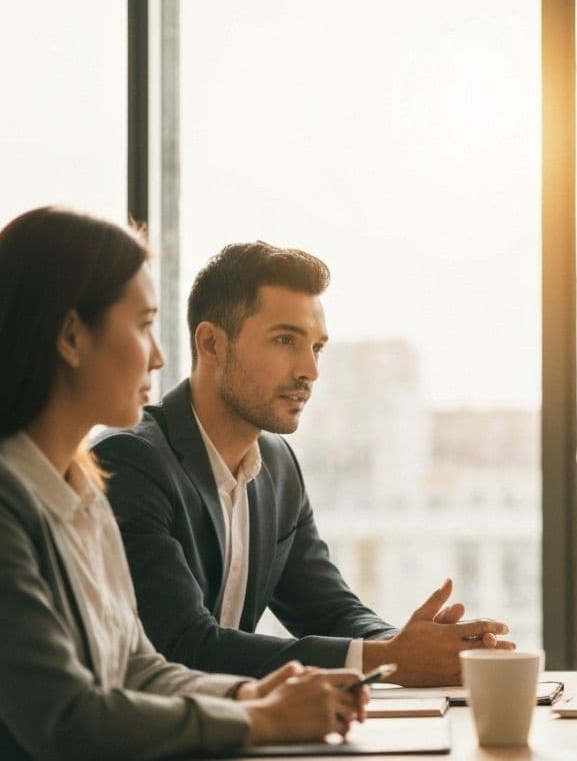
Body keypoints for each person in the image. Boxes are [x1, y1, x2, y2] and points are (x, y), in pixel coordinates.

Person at [0, 206, 368, 759]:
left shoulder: (82, 490)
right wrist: (257, 720)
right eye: (144, 325)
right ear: (72, 336)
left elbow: (138, 667)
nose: (159, 356)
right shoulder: (14, 502)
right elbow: (67, 719)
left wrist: (252, 695)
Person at [93, 241, 512, 688]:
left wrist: (416, 647)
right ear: (211, 343)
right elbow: (182, 647)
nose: (310, 369)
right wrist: (391, 658)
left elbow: (328, 609)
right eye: (285, 340)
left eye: (317, 347)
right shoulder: (130, 463)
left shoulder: (276, 464)